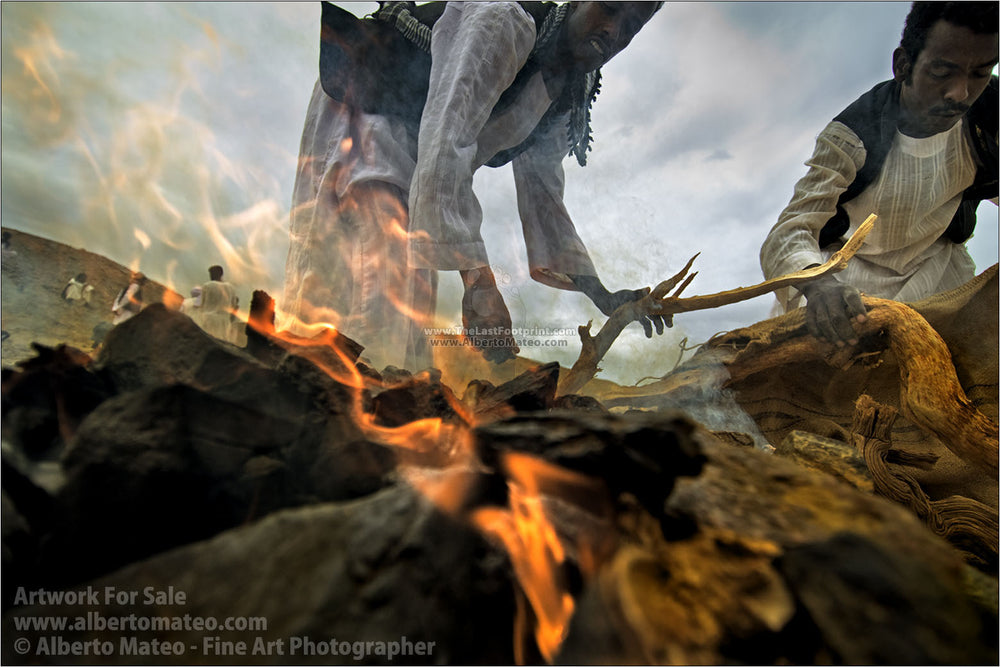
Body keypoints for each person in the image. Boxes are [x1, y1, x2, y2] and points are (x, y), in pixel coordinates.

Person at [283, 1, 667, 371]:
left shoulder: (569, 88)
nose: (613, 31)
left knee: (412, 317)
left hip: (415, 157)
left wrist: (602, 295)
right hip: (365, 117)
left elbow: (544, 195)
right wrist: (479, 283)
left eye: (630, 26)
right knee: (378, 295)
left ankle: (381, 414)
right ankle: (329, 406)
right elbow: (448, 139)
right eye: (610, 8)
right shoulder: (503, 21)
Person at [760, 2, 998, 347]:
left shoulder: (991, 115)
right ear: (903, 66)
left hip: (938, 276)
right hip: (848, 288)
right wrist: (819, 283)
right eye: (942, 73)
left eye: (979, 74)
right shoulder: (849, 137)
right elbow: (790, 231)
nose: (960, 93)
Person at [198, 265, 240, 344]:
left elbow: (201, 304)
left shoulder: (207, 285)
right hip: (224, 322)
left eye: (211, 274)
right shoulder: (231, 288)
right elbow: (234, 306)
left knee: (207, 343)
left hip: (209, 320)